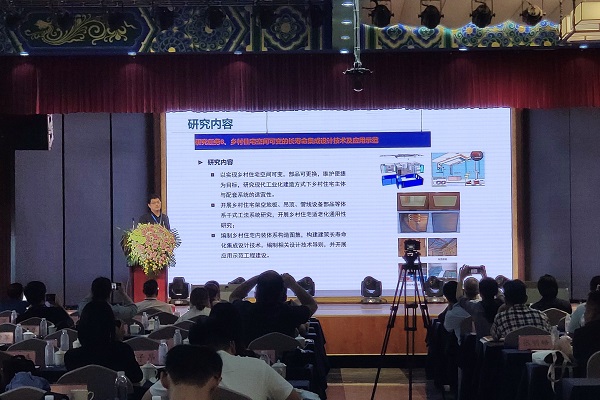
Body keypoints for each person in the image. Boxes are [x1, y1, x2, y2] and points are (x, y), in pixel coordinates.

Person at [144, 314, 302, 400]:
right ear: (232, 345)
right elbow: (293, 398)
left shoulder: (181, 372)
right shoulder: (259, 367)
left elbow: (147, 398)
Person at [230, 270, 317, 344]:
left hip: (251, 358)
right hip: (286, 358)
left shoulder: (244, 310)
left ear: (256, 294)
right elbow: (312, 305)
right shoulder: (290, 313)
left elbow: (234, 296)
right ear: (284, 297)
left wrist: (257, 278)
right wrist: (293, 284)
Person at [65, 300, 143, 383]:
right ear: (110, 326)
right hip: (115, 392)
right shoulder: (123, 351)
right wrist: (118, 341)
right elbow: (137, 377)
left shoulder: (71, 357)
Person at [455, 266, 504, 339]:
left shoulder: (476, 307)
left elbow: (459, 297)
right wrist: (485, 277)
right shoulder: (502, 304)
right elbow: (499, 293)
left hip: (482, 343)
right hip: (500, 343)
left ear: (480, 293)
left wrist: (461, 278)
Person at [445, 277, 479, 343]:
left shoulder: (453, 313)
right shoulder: (483, 307)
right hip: (484, 346)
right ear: (478, 291)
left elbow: (448, 328)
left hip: (464, 347)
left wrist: (461, 278)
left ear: (464, 291)